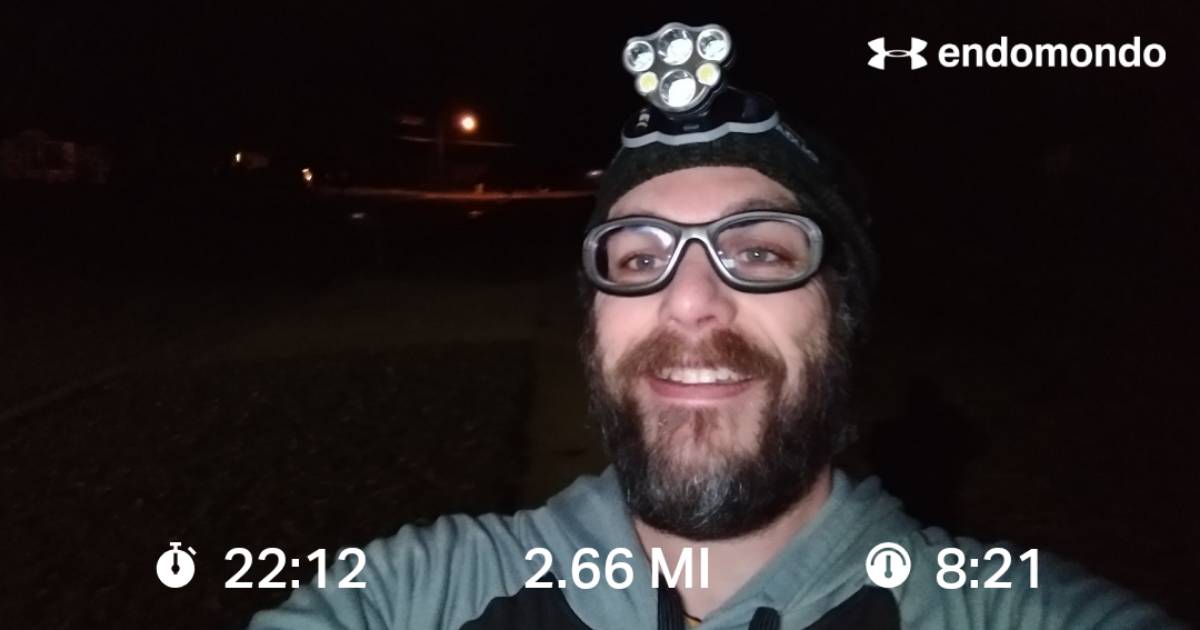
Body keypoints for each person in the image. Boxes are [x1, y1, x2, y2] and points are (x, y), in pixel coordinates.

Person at [246, 22, 1184, 630]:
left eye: (761, 252)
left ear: (844, 315)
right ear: (593, 324)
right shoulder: (413, 596)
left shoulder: (1009, 611)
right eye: (639, 259)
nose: (689, 301)